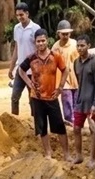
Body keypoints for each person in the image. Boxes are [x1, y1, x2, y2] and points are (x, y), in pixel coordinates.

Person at [18, 28, 68, 160]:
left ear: (47, 41)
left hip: (52, 97)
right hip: (37, 97)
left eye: (43, 41)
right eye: (38, 41)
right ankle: (48, 153)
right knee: (42, 127)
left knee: (59, 126)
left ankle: (66, 154)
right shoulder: (31, 58)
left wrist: (61, 87)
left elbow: (65, 70)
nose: (40, 43)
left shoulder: (55, 56)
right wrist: (30, 84)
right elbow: (21, 71)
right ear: (35, 43)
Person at [51, 20, 80, 164]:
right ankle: (70, 127)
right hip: (64, 81)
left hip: (77, 79)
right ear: (58, 34)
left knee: (76, 105)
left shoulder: (75, 44)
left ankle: (77, 127)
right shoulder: (56, 47)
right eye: (63, 34)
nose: (65, 36)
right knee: (67, 105)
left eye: (67, 34)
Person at [72, 33, 95, 166]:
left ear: (89, 46)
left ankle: (92, 158)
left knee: (93, 130)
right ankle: (79, 155)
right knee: (76, 128)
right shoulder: (76, 63)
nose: (80, 48)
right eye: (78, 46)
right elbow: (79, 82)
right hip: (80, 102)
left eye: (82, 45)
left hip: (91, 103)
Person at [9, 3, 38, 116]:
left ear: (27, 13)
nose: (19, 17)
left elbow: (39, 49)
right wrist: (11, 68)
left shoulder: (35, 28)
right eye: (17, 15)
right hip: (20, 69)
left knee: (33, 99)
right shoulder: (17, 28)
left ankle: (34, 123)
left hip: (33, 70)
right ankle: (13, 121)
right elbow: (17, 48)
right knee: (14, 97)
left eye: (21, 14)